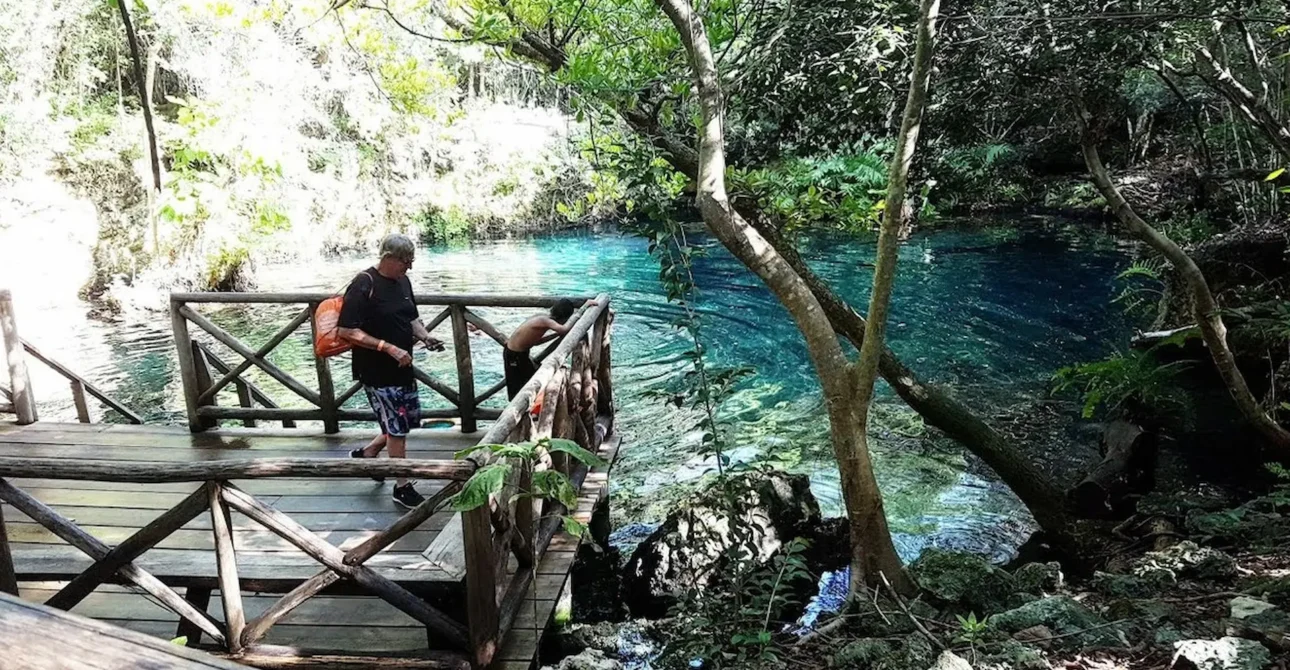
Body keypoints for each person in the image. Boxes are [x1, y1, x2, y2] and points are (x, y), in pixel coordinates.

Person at [338, 234, 444, 509]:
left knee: (404, 420)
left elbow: (410, 317)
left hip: (402, 367)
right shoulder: (364, 283)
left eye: (411, 262)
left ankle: (369, 453)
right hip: (376, 369)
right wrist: (388, 347)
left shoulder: (403, 281)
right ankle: (402, 486)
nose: (408, 268)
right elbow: (346, 330)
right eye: (405, 262)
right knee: (397, 427)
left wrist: (424, 337)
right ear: (388, 258)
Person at [503, 298, 596, 399]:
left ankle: (531, 408)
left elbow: (537, 341)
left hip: (520, 354)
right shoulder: (545, 320)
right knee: (517, 386)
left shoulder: (542, 318)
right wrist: (583, 308)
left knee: (532, 380)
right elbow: (564, 329)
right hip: (514, 355)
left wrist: (555, 336)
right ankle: (516, 411)